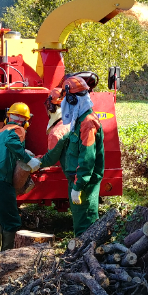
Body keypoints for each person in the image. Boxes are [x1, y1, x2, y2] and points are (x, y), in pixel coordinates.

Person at [39, 76, 105, 236]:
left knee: (85, 225)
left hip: (83, 184)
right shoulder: (79, 119)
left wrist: (79, 185)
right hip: (77, 180)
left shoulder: (87, 123)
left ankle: (85, 257)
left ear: (73, 100)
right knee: (80, 222)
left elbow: (87, 159)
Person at [0, 102, 40, 250]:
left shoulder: (0, 132)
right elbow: (12, 143)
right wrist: (29, 160)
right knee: (11, 221)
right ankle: (6, 255)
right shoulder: (18, 130)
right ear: (25, 121)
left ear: (8, 116)